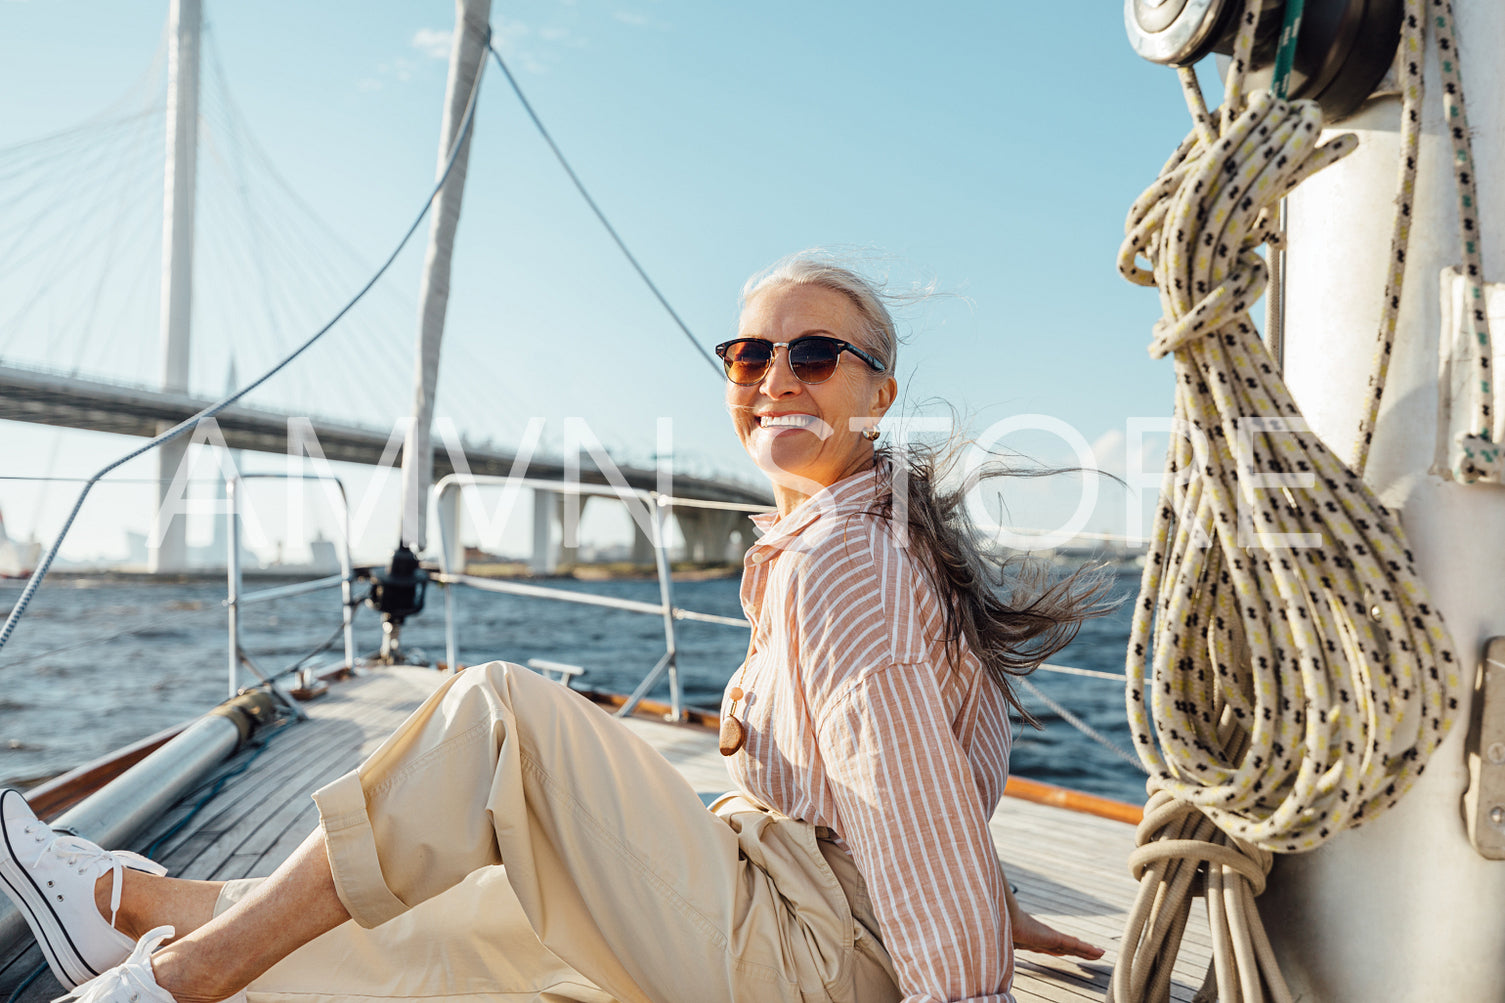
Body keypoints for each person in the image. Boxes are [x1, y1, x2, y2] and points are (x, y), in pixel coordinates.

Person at [1, 252, 1107, 1003]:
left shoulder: (840, 560)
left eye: (813, 355)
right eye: (747, 356)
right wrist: (992, 900)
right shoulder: (854, 539)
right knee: (459, 917)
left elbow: (903, 812)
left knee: (502, 721)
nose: (774, 378)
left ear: (878, 393)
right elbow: (905, 789)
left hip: (809, 958)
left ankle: (169, 982)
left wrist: (965, 956)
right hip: (792, 917)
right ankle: (139, 911)